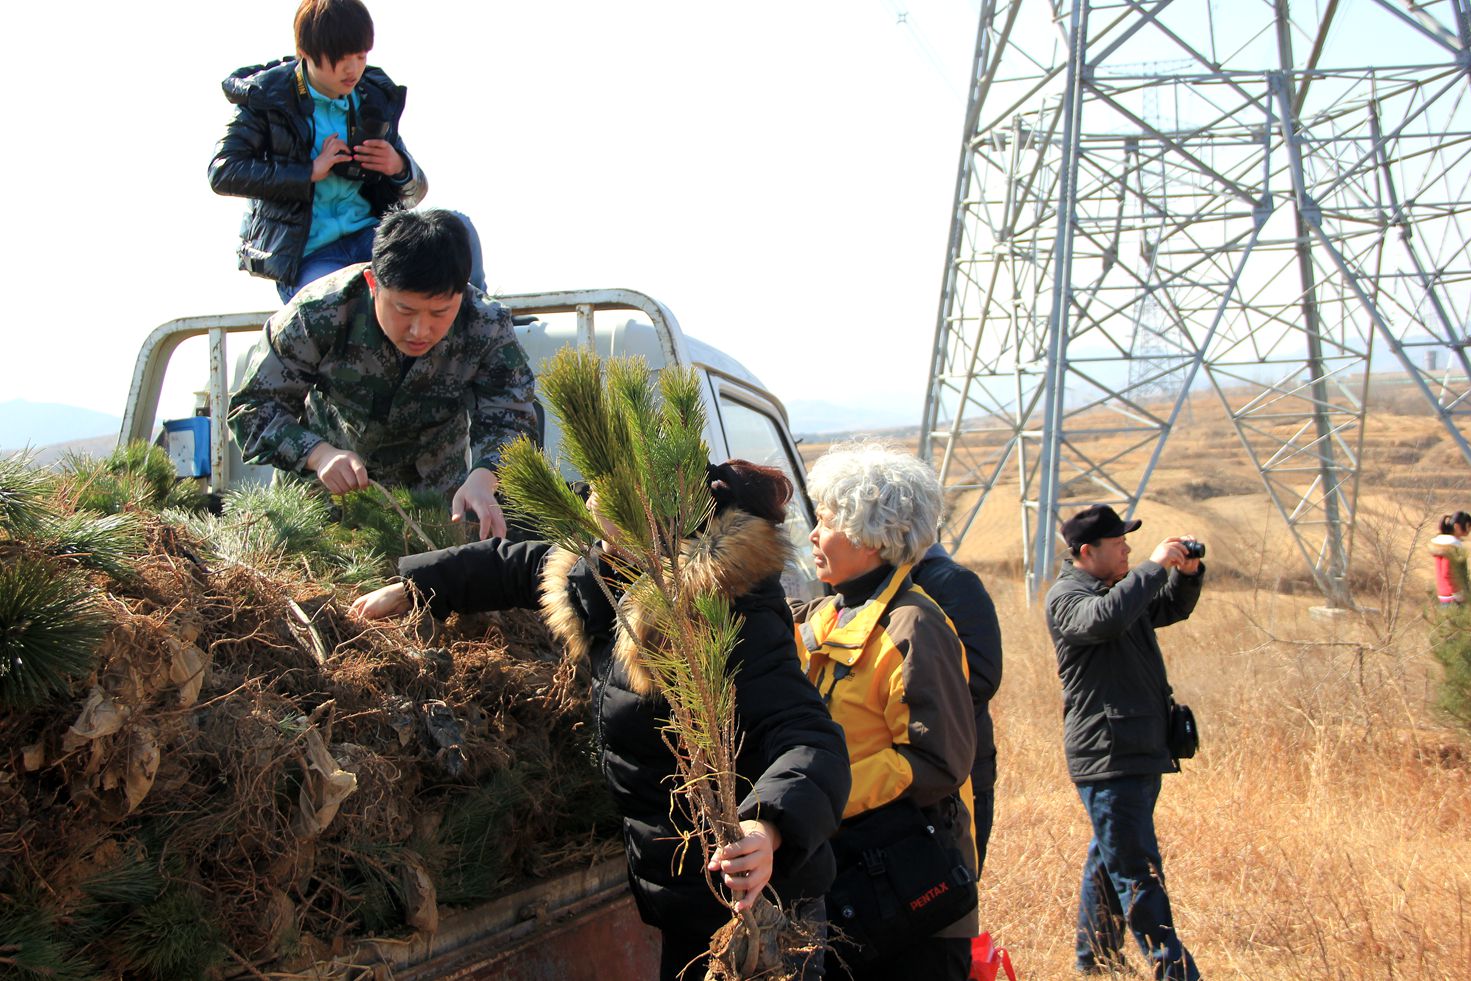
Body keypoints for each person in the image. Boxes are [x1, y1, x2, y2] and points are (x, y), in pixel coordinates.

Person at [351, 460, 851, 981]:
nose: (588, 504)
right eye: (592, 492)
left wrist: (768, 825)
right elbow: (514, 565)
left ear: (657, 509)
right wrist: (416, 588)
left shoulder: (729, 604)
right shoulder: (608, 571)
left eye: (606, 495)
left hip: (758, 907)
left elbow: (808, 736)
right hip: (684, 894)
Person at [228, 208, 536, 540]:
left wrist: (483, 477)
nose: (421, 329)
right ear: (373, 284)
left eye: (440, 312)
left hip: (433, 508)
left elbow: (510, 415)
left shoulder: (486, 324)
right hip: (321, 506)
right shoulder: (318, 312)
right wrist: (318, 455)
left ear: (462, 293)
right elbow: (253, 410)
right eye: (404, 310)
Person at [790, 442, 978, 981]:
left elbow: (936, 761)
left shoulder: (913, 627)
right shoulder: (830, 614)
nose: (814, 535)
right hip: (851, 880)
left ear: (871, 536)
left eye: (826, 521)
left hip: (911, 898)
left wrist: (821, 796)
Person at [208, 0, 482, 302]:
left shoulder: (374, 94)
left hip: (374, 240)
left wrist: (398, 166)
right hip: (308, 257)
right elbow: (222, 170)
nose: (353, 69)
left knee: (459, 231)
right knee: (335, 308)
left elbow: (416, 191)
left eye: (361, 56)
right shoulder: (266, 97)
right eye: (340, 58)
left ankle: (483, 320)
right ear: (306, 53)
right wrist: (308, 172)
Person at [1045, 504, 1203, 980]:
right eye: (1119, 544)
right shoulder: (1069, 598)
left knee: (1109, 860)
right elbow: (1106, 619)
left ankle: (1096, 963)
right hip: (1107, 755)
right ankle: (1173, 971)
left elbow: (1169, 607)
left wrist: (1185, 575)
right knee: (1137, 873)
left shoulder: (1117, 591)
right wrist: (1155, 567)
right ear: (1088, 552)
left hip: (1135, 750)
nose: (1129, 550)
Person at [911, 541, 1003, 877]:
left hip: (960, 767)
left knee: (958, 890)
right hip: (920, 768)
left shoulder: (951, 581)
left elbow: (981, 674)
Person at [1429, 511, 1470, 605]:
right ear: (1457, 527)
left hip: (1444, 595)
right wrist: (1459, 593)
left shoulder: (1444, 545)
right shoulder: (1450, 547)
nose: (1469, 530)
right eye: (1468, 526)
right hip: (1453, 597)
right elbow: (1447, 572)